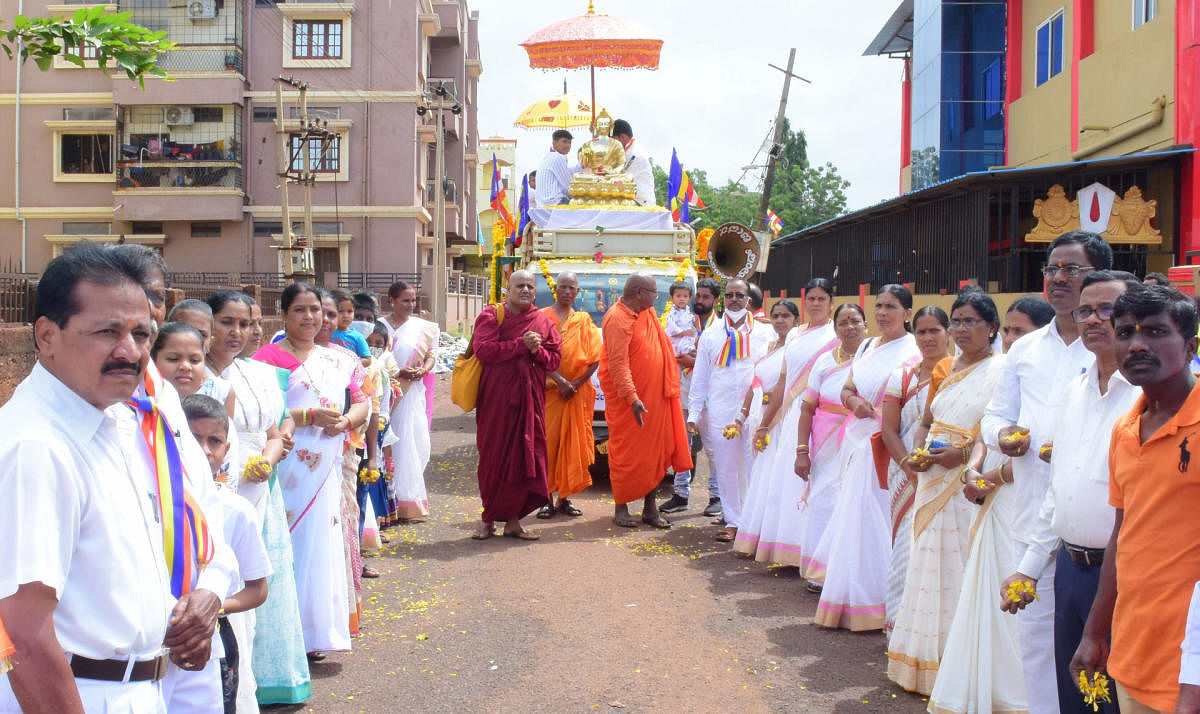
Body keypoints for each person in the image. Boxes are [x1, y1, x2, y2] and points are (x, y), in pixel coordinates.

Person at [0, 242, 224, 712]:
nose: (130, 351)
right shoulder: (38, 446)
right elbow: (21, 634)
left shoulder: (116, 420)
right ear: (46, 336)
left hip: (138, 687)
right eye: (107, 331)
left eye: (142, 334)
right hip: (82, 692)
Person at [981, 230, 1113, 712]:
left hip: (1094, 523)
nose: (1058, 278)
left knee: (1096, 643)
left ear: (1096, 277)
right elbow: (994, 417)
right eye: (1052, 268)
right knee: (1035, 640)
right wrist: (1005, 438)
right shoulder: (1025, 348)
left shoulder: (1112, 348)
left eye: (1071, 269)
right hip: (1031, 506)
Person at [999, 270, 1140, 714]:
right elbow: (1057, 493)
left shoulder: (1147, 395)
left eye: (1108, 311)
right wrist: (1028, 567)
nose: (1095, 319)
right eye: (1086, 310)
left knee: (1122, 694)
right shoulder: (1074, 392)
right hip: (1071, 570)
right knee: (1075, 693)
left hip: (1128, 573)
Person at [1072, 283, 1200, 713]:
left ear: (1190, 347)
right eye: (1125, 332)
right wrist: (1095, 632)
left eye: (1157, 332)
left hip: (1188, 673)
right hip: (1133, 658)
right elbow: (1123, 533)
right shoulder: (1126, 429)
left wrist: (1195, 680)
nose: (1137, 344)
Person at [886, 290, 1005, 694]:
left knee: (961, 566)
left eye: (972, 321)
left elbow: (996, 428)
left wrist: (965, 453)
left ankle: (960, 664)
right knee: (927, 564)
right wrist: (918, 453)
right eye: (957, 321)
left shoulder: (1003, 370)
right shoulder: (945, 369)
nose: (962, 329)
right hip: (933, 475)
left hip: (967, 482)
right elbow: (925, 421)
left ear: (992, 327)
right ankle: (925, 661)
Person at [204, 291, 311, 705]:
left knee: (261, 579)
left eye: (245, 324)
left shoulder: (257, 372)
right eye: (227, 322)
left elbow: (279, 422)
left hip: (260, 483)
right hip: (219, 484)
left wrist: (268, 459)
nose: (237, 332)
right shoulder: (199, 376)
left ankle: (263, 682)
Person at [253, 282, 369, 659]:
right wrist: (308, 417)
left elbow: (364, 402)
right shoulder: (265, 360)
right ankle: (280, 636)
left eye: (315, 310)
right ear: (284, 314)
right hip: (282, 464)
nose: (309, 317)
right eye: (300, 310)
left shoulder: (339, 359)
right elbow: (260, 416)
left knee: (321, 546)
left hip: (327, 467)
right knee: (285, 546)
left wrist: (346, 419)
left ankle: (315, 632)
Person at [811, 285, 919, 631]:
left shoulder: (914, 350)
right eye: (879, 306)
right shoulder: (870, 346)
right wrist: (853, 402)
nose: (883, 312)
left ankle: (882, 601)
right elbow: (848, 388)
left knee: (880, 519)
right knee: (853, 516)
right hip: (856, 440)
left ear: (907, 313)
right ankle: (849, 597)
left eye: (892, 306)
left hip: (889, 444)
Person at [734, 279, 838, 564]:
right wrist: (766, 423)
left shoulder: (834, 335)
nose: (816, 304)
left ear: (831, 302)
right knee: (783, 482)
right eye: (812, 298)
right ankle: (783, 547)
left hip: (817, 418)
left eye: (822, 298)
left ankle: (807, 551)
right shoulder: (794, 336)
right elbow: (782, 381)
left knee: (810, 483)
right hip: (787, 418)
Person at [182, 394, 272, 714]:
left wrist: (216, 606)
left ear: (226, 450)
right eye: (193, 439)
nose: (204, 451)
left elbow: (258, 588)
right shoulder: (154, 503)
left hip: (221, 634)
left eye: (214, 441)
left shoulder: (236, 510)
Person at [471, 269, 562, 539]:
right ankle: (487, 520)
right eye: (520, 285)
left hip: (529, 398)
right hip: (496, 399)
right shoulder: (491, 315)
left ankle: (513, 522)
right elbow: (484, 350)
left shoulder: (543, 321)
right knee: (493, 456)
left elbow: (555, 360)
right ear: (507, 290)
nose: (525, 290)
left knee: (525, 456)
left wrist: (537, 350)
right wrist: (520, 345)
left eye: (530, 287)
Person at [600, 273, 693, 529]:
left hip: (657, 398)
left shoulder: (646, 312)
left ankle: (650, 509)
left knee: (657, 451)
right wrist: (632, 398)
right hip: (632, 403)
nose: (658, 296)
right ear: (640, 293)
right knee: (626, 452)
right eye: (654, 291)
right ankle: (621, 506)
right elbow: (618, 364)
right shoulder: (618, 318)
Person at [687, 278, 775, 542]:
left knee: (754, 465)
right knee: (726, 467)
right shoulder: (711, 335)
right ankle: (733, 521)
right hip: (722, 410)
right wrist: (693, 414)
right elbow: (700, 378)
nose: (735, 299)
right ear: (723, 299)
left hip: (756, 409)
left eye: (740, 295)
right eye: (730, 295)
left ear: (749, 300)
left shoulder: (764, 333)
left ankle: (754, 521)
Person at [879, 305, 949, 632]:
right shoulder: (903, 375)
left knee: (945, 554)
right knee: (906, 550)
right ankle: (901, 627)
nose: (927, 337)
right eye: (921, 331)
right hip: (906, 474)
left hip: (950, 476)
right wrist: (909, 466)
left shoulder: (963, 373)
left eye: (935, 330)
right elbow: (888, 430)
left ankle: (938, 633)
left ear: (947, 333)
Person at [794, 303, 867, 587]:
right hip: (825, 445)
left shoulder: (872, 360)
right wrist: (802, 451)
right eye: (843, 323)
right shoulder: (824, 362)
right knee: (824, 502)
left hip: (861, 443)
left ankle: (850, 575)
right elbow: (806, 408)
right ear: (835, 329)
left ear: (865, 325)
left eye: (855, 321)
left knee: (854, 505)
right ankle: (820, 573)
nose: (849, 327)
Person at [538, 272, 602, 519]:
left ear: (577, 291)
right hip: (550, 392)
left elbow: (594, 358)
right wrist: (560, 381)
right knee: (548, 445)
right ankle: (546, 499)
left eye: (571, 288)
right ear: (556, 289)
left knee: (572, 446)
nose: (566, 291)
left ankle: (564, 498)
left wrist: (573, 385)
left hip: (575, 394)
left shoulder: (584, 320)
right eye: (562, 287)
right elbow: (537, 355)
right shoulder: (542, 317)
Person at [661, 277, 722, 515]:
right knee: (681, 445)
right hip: (683, 389)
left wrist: (694, 361)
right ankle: (680, 495)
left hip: (711, 395)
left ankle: (716, 496)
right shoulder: (683, 318)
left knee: (712, 448)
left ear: (716, 301)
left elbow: (723, 361)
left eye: (706, 297)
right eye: (699, 295)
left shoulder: (722, 327)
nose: (700, 300)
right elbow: (669, 344)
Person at [380, 281, 439, 522]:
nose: (410, 305)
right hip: (387, 395)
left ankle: (411, 498)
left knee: (416, 444)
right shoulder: (379, 326)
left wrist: (422, 370)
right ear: (392, 300)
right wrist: (396, 374)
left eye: (413, 300)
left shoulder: (423, 328)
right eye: (405, 300)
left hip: (413, 394)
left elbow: (431, 355)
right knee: (392, 445)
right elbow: (373, 360)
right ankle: (393, 502)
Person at [611, 119, 655, 206]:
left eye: (613, 140)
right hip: (632, 201)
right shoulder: (629, 151)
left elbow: (615, 178)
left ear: (623, 137)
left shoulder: (634, 155)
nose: (611, 145)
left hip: (641, 204)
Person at [536, 129, 578, 207]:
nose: (568, 145)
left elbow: (569, 172)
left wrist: (581, 166)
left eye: (570, 142)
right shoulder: (558, 157)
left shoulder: (549, 157)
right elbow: (569, 187)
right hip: (556, 202)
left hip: (543, 204)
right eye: (564, 141)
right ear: (554, 143)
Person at [330, 288, 372, 366]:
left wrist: (350, 362)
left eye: (349, 311)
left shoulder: (357, 337)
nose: (346, 315)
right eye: (340, 311)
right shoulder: (325, 334)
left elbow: (368, 360)